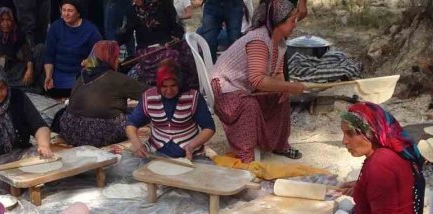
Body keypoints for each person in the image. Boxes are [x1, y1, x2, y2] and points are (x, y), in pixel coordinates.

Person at [308, 103, 428, 214]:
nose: (344, 141)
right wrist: (362, 185)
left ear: (370, 132)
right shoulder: (387, 152)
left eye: (350, 133)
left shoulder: (380, 165)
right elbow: (396, 185)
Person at [210, 0, 305, 163]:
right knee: (249, 105)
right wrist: (291, 86)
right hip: (225, 87)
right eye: (292, 20)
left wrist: (285, 88)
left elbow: (277, 74)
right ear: (279, 21)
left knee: (282, 96)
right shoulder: (259, 40)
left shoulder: (280, 42)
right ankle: (245, 155)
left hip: (243, 85)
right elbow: (258, 80)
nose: (295, 24)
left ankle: (280, 144)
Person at [59, 40, 146, 146]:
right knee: (142, 112)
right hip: (97, 132)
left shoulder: (82, 74)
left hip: (69, 128)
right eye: (116, 56)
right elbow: (151, 94)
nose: (118, 60)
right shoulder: (116, 78)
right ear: (111, 57)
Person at [126, 60, 214, 159]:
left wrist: (191, 146)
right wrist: (137, 144)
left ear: (179, 83)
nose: (169, 91)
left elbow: (209, 128)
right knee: (126, 163)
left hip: (190, 154)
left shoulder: (193, 97)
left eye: (173, 85)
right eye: (164, 86)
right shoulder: (149, 97)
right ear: (158, 84)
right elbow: (131, 124)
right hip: (156, 152)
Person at [115, 0, 196, 89]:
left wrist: (176, 37)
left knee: (190, 50)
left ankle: (191, 88)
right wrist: (115, 43)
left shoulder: (165, 4)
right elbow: (125, 33)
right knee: (171, 56)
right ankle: (172, 88)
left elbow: (177, 26)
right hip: (146, 49)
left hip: (168, 44)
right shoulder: (132, 11)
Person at [43, 0, 102, 97]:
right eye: (63, 10)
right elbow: (49, 55)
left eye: (70, 11)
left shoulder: (91, 30)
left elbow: (100, 57)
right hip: (58, 77)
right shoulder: (56, 27)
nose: (66, 14)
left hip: (80, 77)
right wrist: (49, 76)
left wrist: (89, 62)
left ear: (78, 13)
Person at [0, 7, 36, 88]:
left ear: (12, 20)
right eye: (2, 20)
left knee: (40, 50)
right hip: (0, 70)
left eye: (8, 19)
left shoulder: (18, 34)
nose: (6, 23)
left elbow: (27, 53)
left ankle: (23, 81)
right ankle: (16, 83)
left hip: (17, 68)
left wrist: (29, 70)